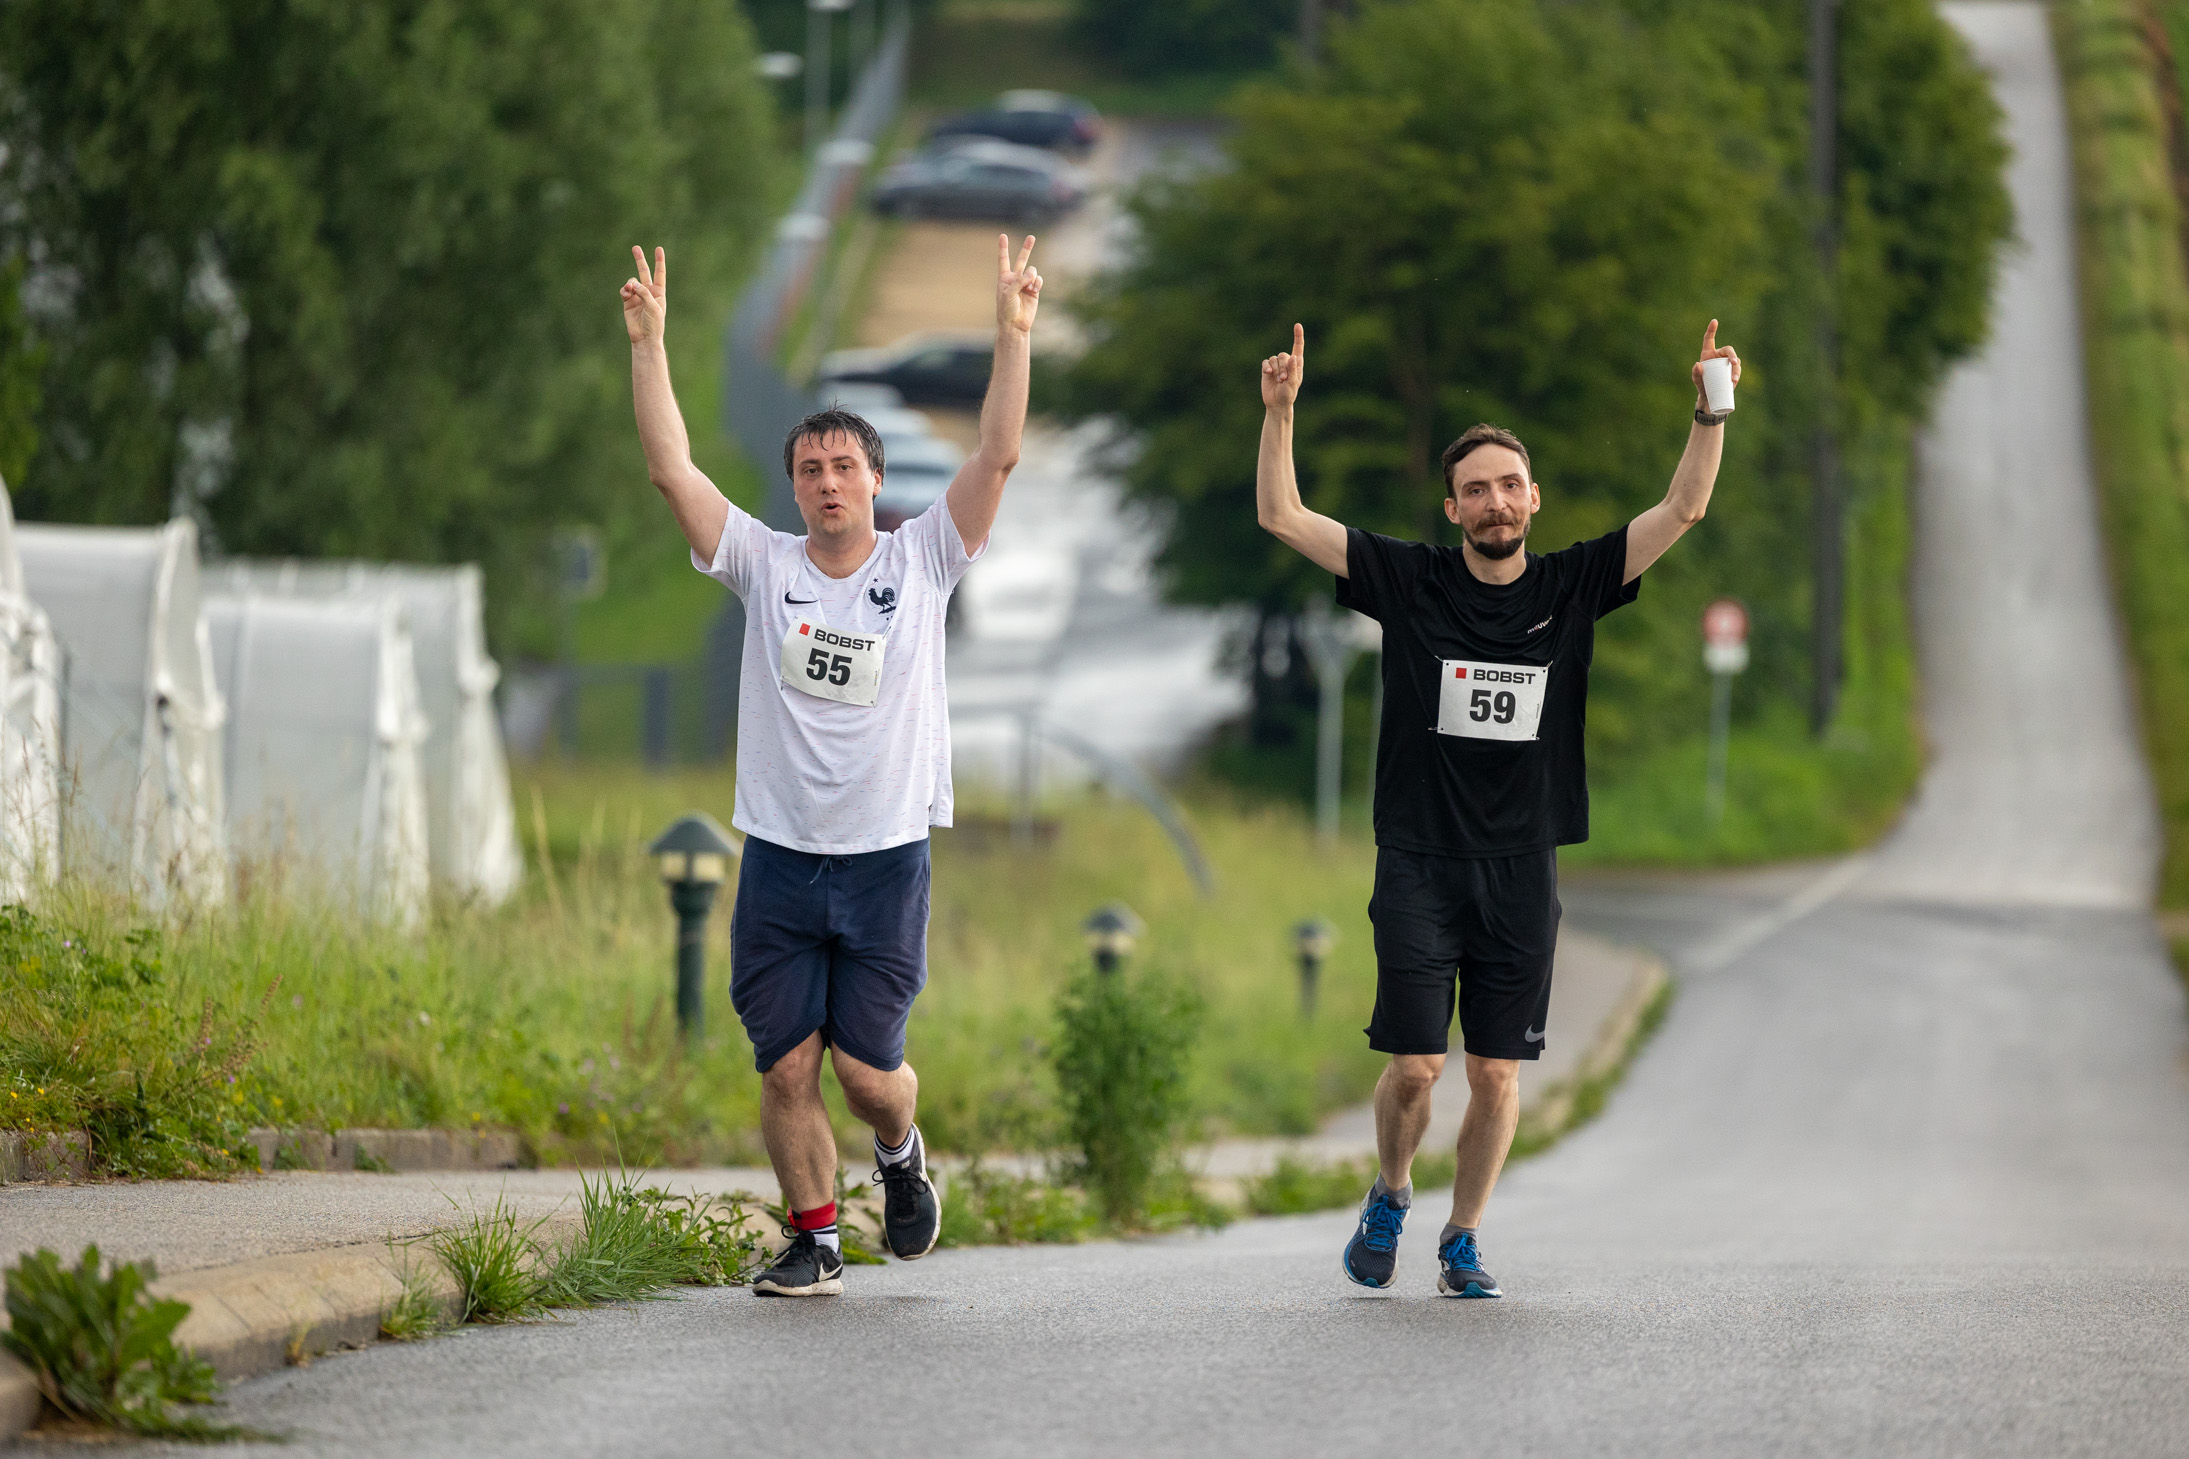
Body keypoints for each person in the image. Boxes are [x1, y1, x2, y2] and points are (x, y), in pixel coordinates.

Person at [1253, 320, 1739, 1299]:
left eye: (1508, 485)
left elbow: (1683, 507)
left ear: (1532, 497)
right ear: (1453, 507)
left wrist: (1708, 411)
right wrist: (1279, 412)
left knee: (1496, 1074)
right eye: (1474, 489)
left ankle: (1463, 1237)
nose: (1494, 502)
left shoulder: (1571, 585)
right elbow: (1282, 515)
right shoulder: (1411, 579)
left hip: (1520, 865)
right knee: (1416, 1067)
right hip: (1418, 858)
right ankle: (1391, 1189)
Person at [621, 235, 1044, 1296]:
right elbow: (672, 472)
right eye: (809, 470)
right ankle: (813, 1240)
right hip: (778, 857)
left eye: (843, 467)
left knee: (864, 1073)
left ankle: (900, 1153)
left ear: (874, 481)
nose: (826, 483)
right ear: (795, 489)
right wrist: (649, 344)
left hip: (884, 859)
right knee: (785, 1065)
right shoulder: (762, 565)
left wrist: (1011, 335)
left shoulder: (922, 558)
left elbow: (995, 457)